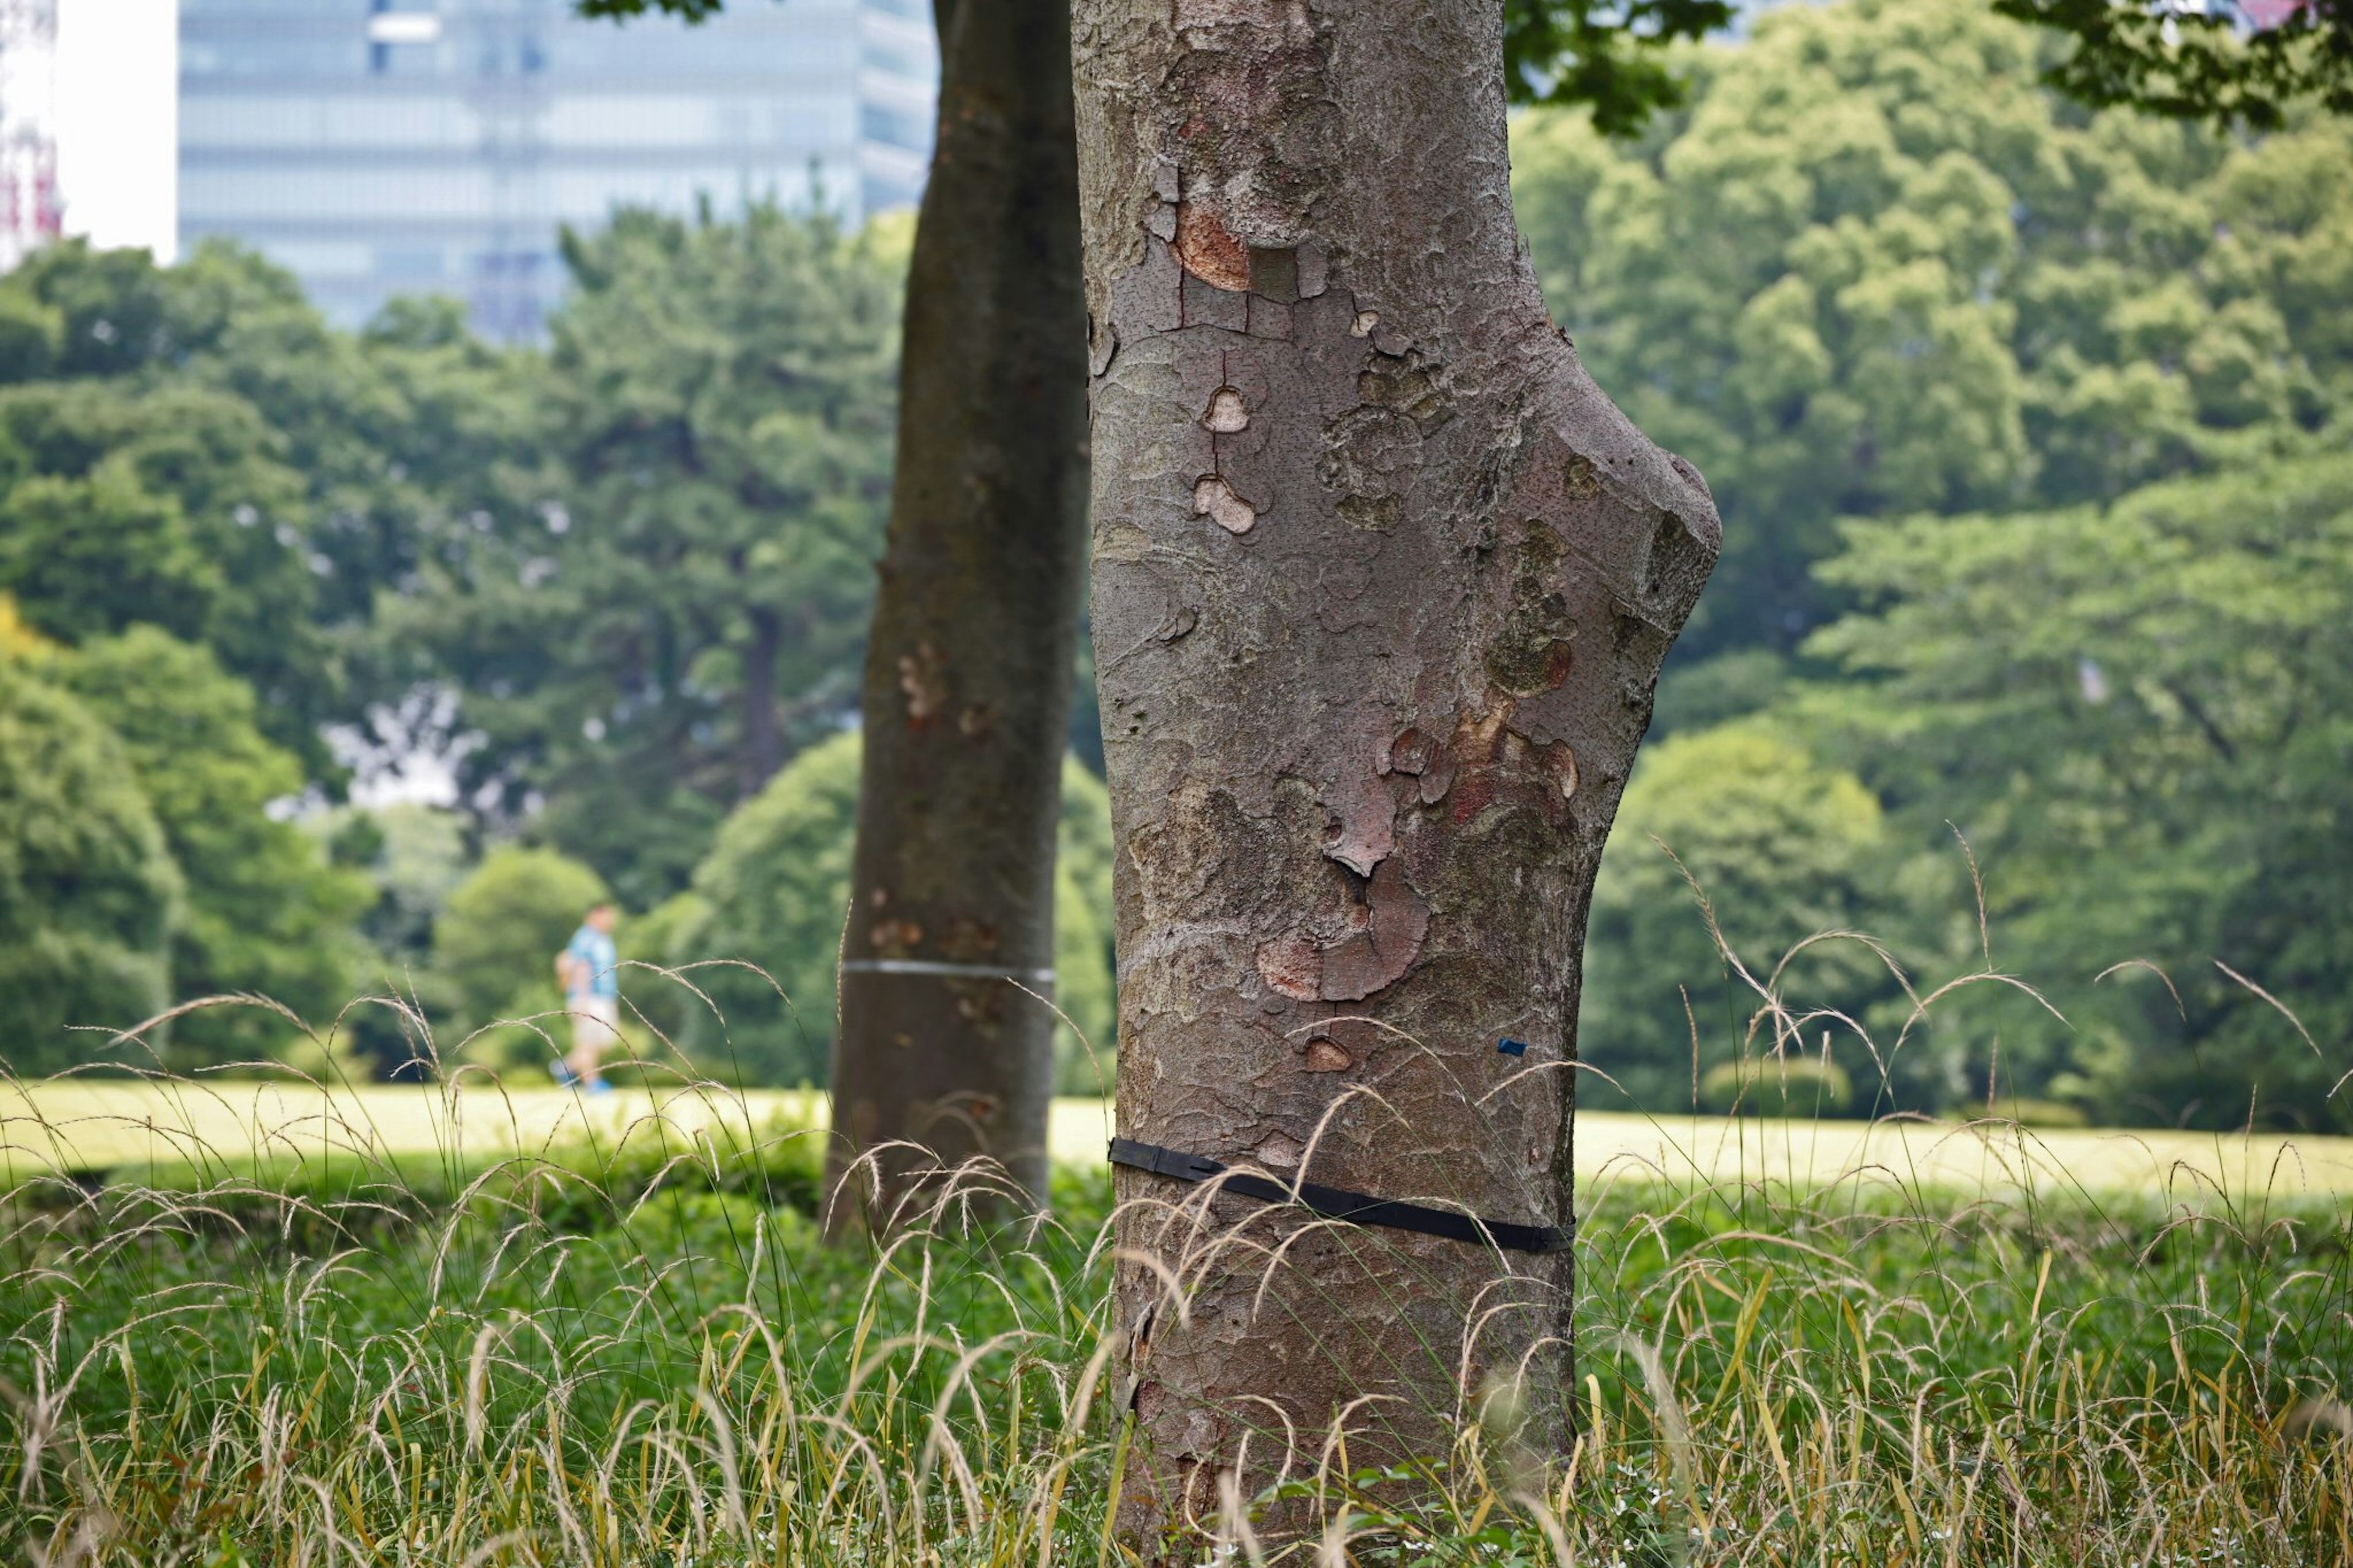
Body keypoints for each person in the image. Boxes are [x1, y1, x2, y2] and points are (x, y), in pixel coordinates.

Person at [554, 901, 621, 1093]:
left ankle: (565, 1067)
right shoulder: (585, 938)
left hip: (604, 998)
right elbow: (581, 969)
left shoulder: (605, 940)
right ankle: (592, 1083)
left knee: (602, 1042)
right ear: (595, 916)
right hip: (588, 997)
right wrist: (582, 1001)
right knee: (588, 1042)